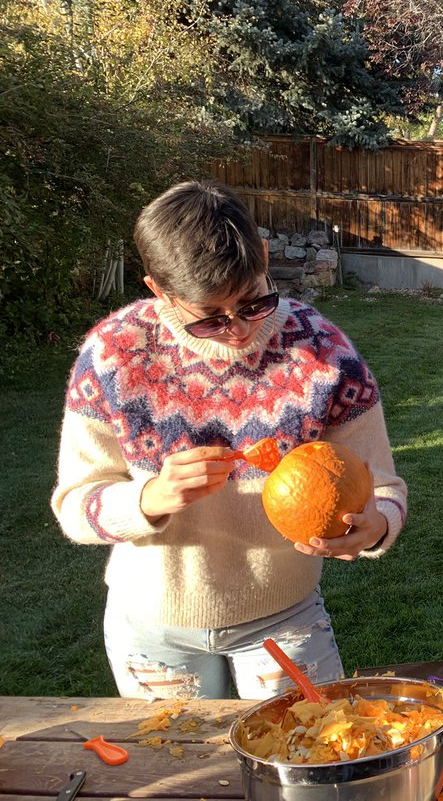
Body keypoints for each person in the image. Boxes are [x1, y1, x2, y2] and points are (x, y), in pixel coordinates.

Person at [51, 180, 408, 700]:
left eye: (253, 302)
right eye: (210, 318)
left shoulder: (323, 352)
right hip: (153, 628)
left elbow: (383, 484)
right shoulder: (114, 354)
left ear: (263, 256)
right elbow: (74, 505)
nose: (238, 330)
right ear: (160, 290)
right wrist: (147, 499)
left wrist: (376, 525)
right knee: (181, 771)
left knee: (307, 765)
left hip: (286, 620)